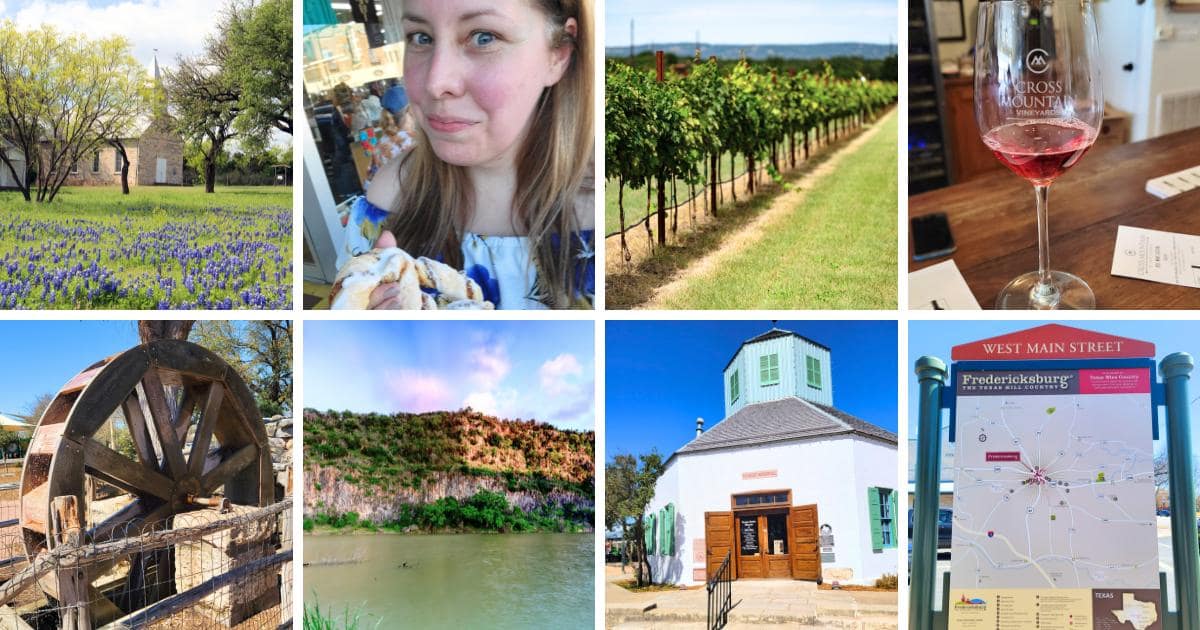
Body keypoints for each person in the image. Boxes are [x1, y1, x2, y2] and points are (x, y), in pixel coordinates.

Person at [354, 0, 594, 309]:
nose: (435, 83)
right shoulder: (390, 197)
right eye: (421, 37)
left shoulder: (597, 211)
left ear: (558, 54)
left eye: (484, 37)